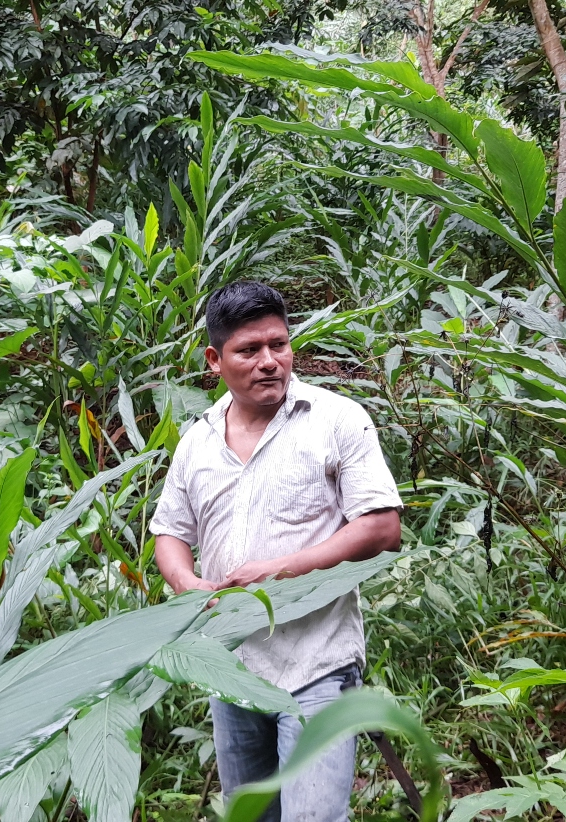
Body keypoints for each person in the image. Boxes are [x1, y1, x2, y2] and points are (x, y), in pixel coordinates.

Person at [150, 281, 402, 821]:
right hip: (233, 670)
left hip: (317, 664)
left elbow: (381, 527)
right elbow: (169, 532)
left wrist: (279, 571)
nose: (270, 362)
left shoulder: (336, 419)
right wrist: (186, 584)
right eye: (249, 350)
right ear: (215, 360)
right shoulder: (197, 439)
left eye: (279, 345)